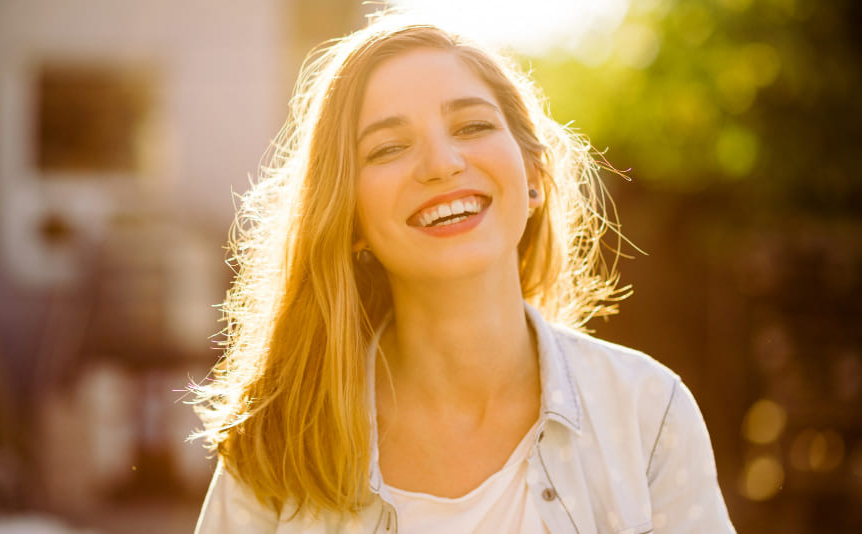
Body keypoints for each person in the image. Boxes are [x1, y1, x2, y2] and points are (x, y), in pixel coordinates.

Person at [193, 12, 735, 534]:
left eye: (472, 125)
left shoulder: (648, 411)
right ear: (349, 216)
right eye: (388, 148)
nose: (441, 163)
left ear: (534, 178)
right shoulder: (279, 438)